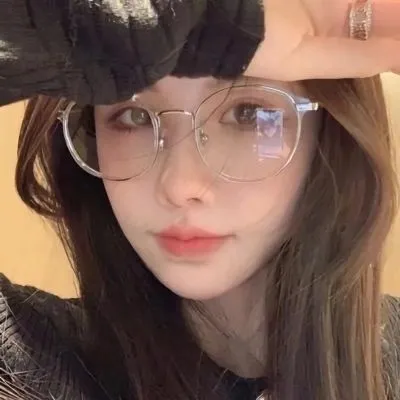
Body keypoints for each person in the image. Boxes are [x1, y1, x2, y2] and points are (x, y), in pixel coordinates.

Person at [0, 1, 400, 399]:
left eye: (247, 113)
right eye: (134, 116)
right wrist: (116, 30)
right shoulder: (30, 363)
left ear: (330, 135)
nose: (180, 185)